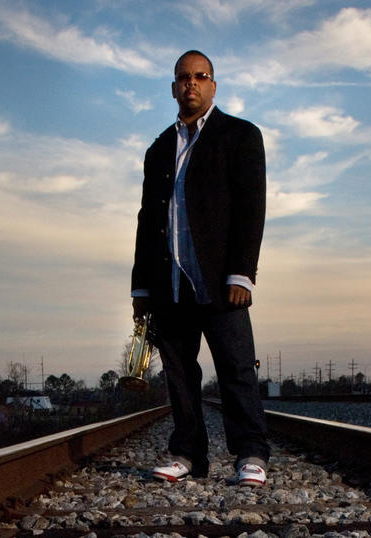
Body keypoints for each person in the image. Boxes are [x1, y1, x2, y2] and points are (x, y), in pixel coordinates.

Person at [131, 50, 269, 486]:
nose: (190, 84)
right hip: (168, 281)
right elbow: (146, 219)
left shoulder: (240, 136)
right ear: (174, 87)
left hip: (219, 280)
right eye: (182, 78)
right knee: (179, 371)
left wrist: (242, 273)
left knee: (236, 367)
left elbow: (251, 208)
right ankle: (188, 453)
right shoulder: (158, 150)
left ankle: (250, 453)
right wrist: (140, 288)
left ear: (213, 85)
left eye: (200, 76)